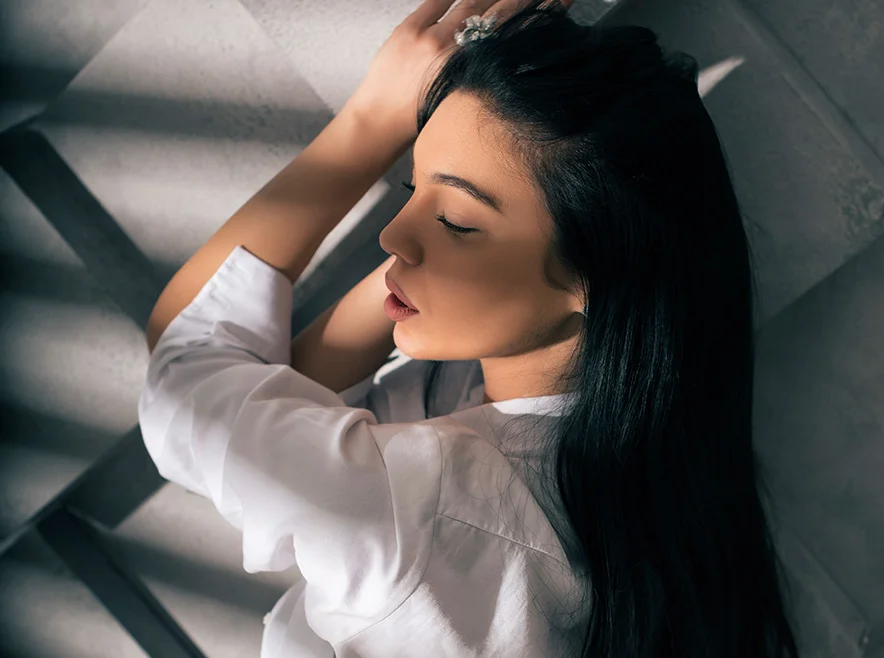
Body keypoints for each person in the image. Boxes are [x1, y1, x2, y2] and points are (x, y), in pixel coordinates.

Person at [138, 0, 801, 656]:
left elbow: (188, 374)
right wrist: (426, 252)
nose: (390, 233)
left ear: (599, 279)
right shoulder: (617, 477)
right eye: (410, 191)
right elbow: (286, 393)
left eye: (457, 220)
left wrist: (369, 124)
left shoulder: (427, 504)